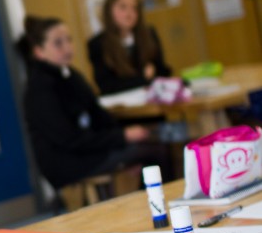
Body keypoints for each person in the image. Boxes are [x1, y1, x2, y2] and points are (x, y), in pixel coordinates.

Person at [17, 15, 171, 192]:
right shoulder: (39, 89)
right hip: (68, 161)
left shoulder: (70, 75)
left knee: (149, 146)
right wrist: (122, 138)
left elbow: (98, 115)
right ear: (39, 51)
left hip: (88, 151)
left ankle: (147, 199)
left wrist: (123, 140)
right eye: (58, 43)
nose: (67, 47)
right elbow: (70, 140)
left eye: (69, 40)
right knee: (155, 152)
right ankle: (153, 202)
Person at [88, 0, 172, 95]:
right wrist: (143, 78)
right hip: (121, 103)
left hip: (152, 98)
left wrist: (150, 76)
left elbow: (163, 71)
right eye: (123, 7)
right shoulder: (97, 44)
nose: (129, 13)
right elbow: (107, 86)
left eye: (134, 8)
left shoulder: (149, 34)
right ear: (109, 11)